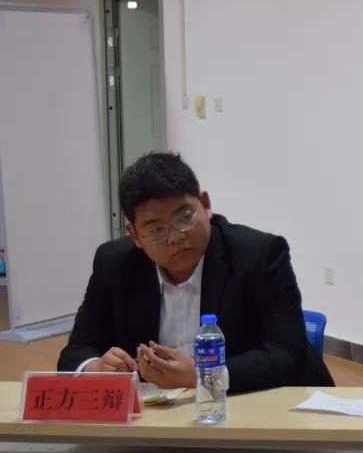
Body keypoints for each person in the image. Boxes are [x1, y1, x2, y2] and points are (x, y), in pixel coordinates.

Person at [58, 152, 333, 394]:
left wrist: (205, 375)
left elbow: (287, 354)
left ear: (205, 203)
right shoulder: (114, 264)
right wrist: (95, 368)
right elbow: (77, 351)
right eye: (156, 229)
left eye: (184, 216)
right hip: (159, 419)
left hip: (253, 407)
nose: (175, 237)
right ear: (135, 234)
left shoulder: (259, 254)